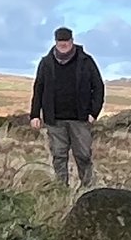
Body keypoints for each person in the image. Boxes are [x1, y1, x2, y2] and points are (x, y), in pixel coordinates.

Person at [28, 25, 104, 191]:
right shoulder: (46, 62)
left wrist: (93, 113)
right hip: (54, 119)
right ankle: (61, 189)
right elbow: (38, 88)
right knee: (59, 155)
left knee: (83, 155)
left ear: (72, 41)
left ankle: (88, 189)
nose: (63, 45)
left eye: (66, 42)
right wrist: (35, 114)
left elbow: (98, 86)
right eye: (60, 42)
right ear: (55, 42)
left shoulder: (86, 61)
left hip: (80, 118)